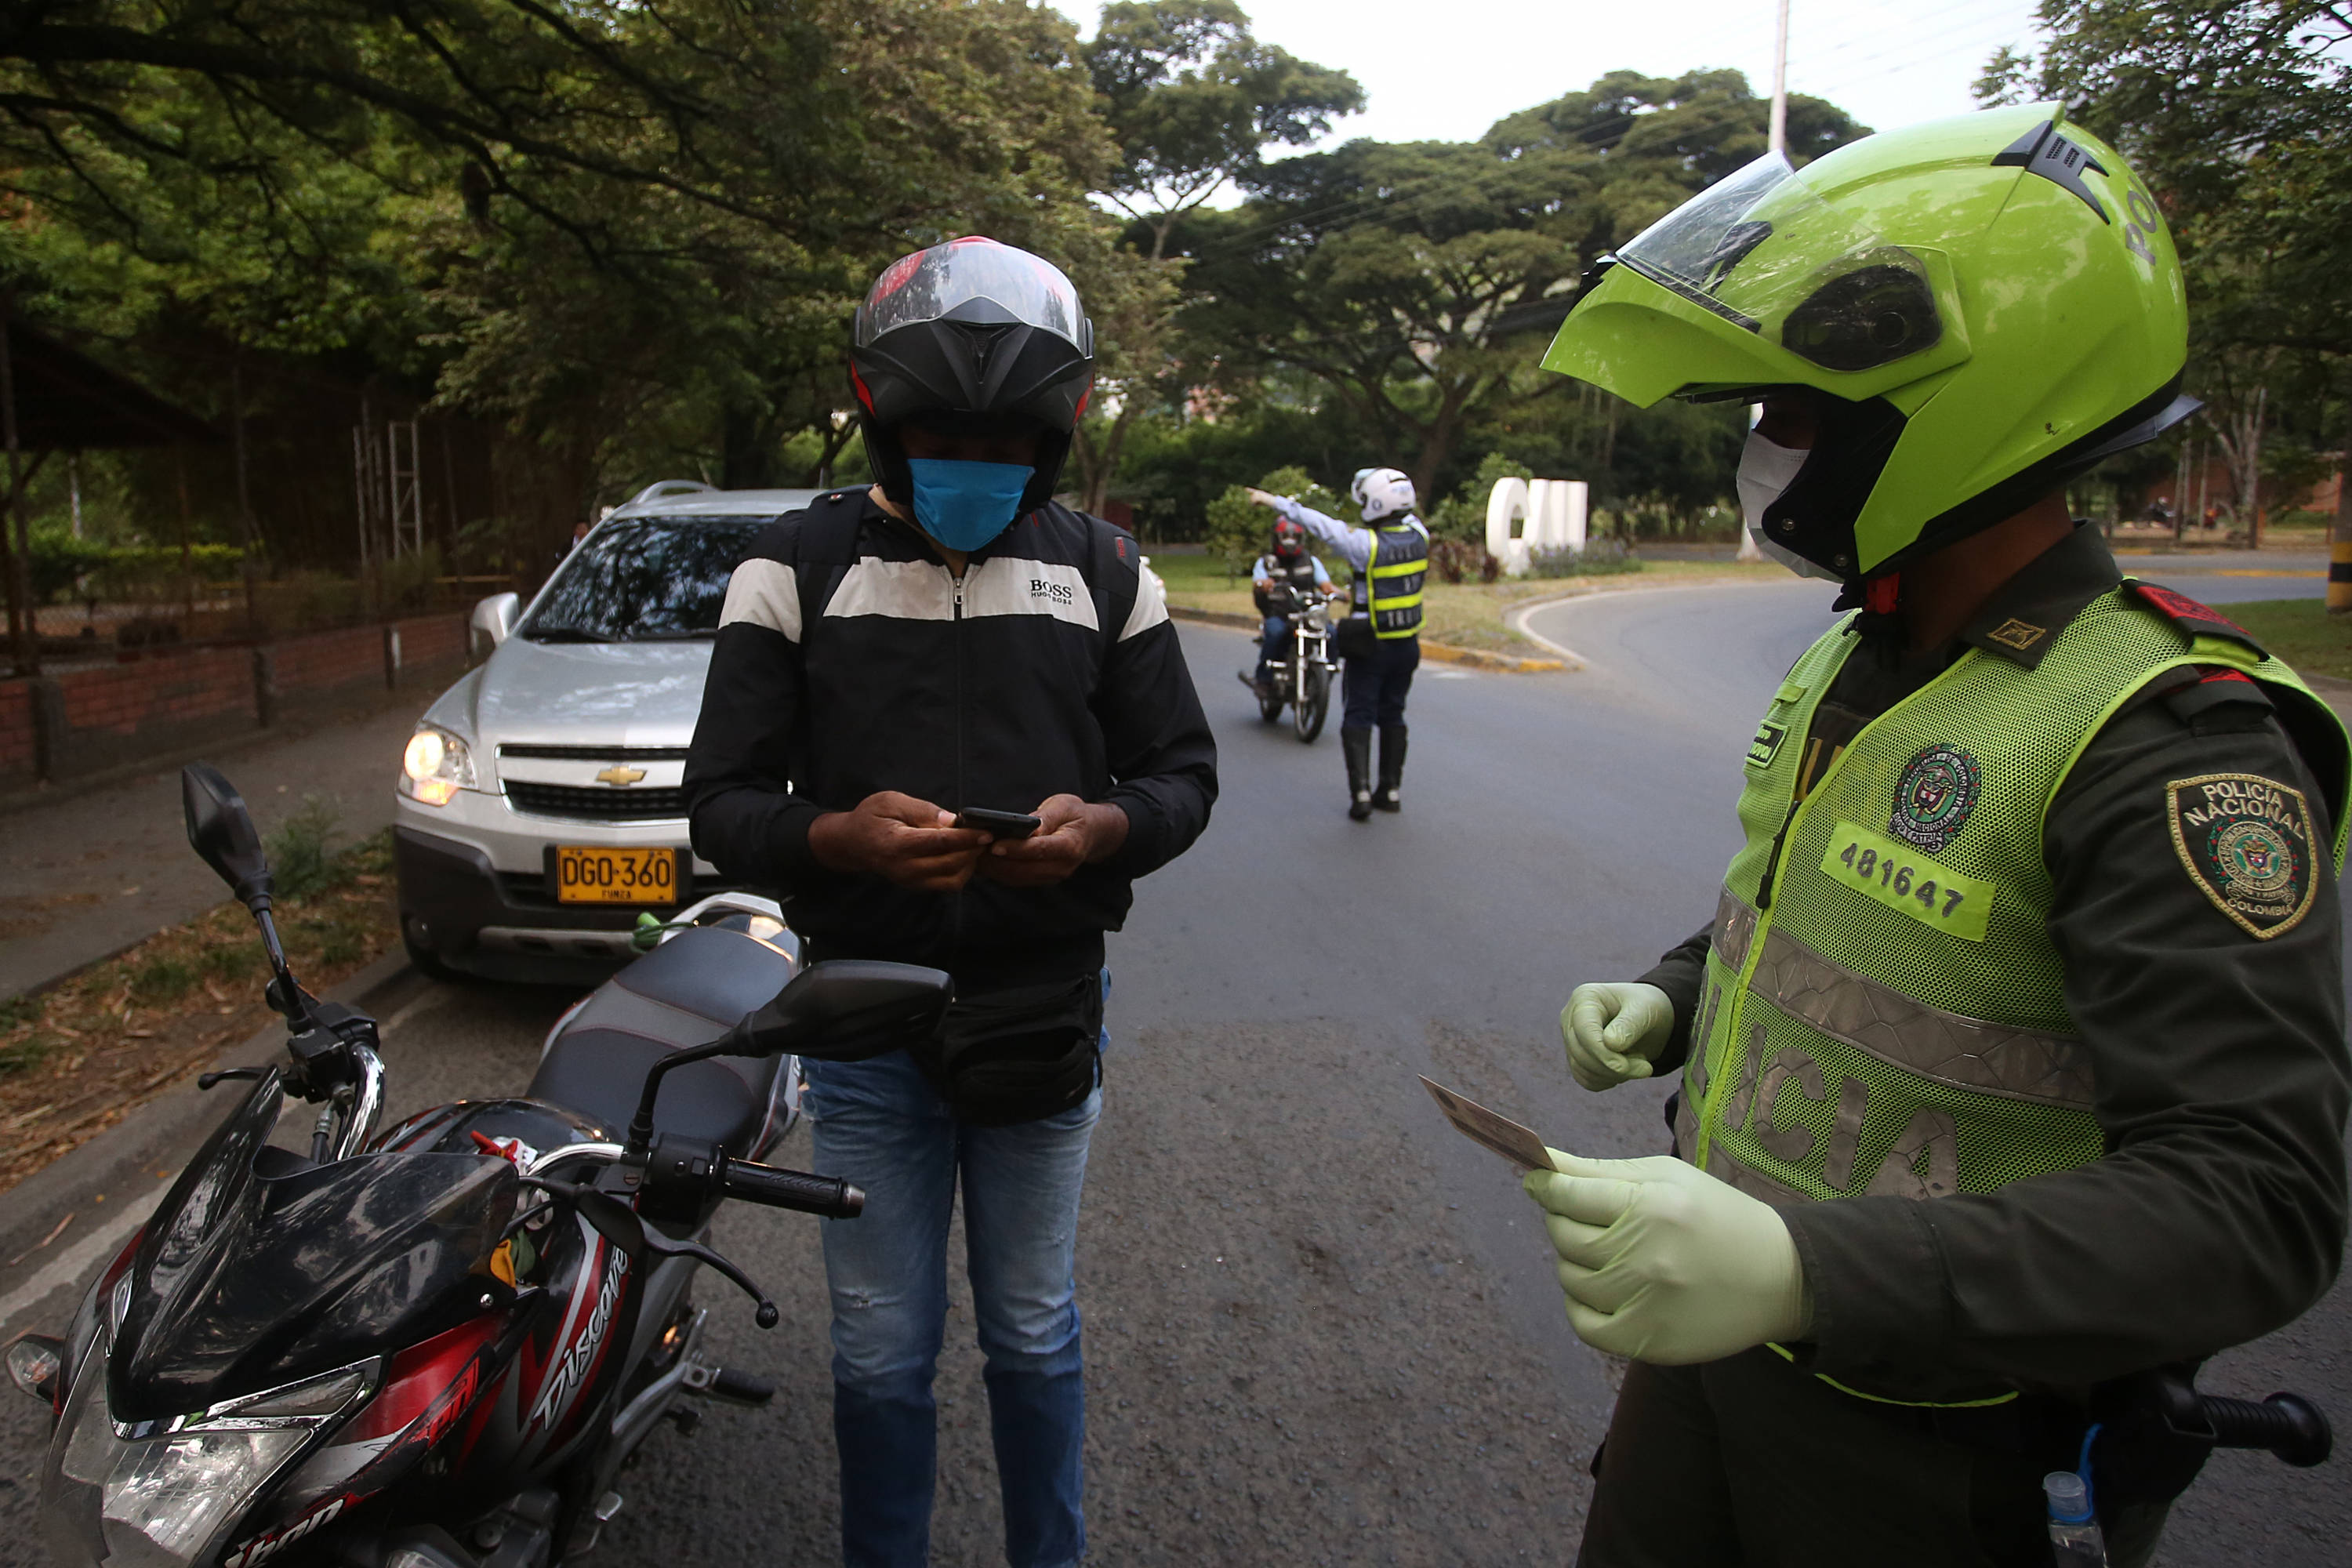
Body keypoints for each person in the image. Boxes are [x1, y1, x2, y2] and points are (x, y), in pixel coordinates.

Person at [1518, 105, 2350, 1566]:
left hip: (1944, 1454)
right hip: (1715, 1366)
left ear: (1971, 398)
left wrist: (1802, 1269)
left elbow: (2255, 1199)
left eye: (1791, 414)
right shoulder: (1879, 643)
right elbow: (1831, 911)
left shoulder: (2170, 733)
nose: (1762, 455)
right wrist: (1682, 989)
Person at [684, 236, 1218, 1568]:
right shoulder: (789, 569)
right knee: (877, 1347)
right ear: (876, 414)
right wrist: (840, 843)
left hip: (1044, 1016)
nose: (968, 453)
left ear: (1054, 434)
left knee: (1034, 1324)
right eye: (937, 428)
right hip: (863, 1032)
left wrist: (1101, 831)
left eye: (1001, 433)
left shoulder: (1108, 573)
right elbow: (721, 805)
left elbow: (1184, 778)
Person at [1246, 469, 1428, 818]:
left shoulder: (1365, 546)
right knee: (1394, 714)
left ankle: (1360, 795)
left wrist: (1272, 500)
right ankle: (1389, 790)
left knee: (1359, 714)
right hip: (1407, 644)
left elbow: (1320, 524)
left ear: (1376, 503)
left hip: (1370, 645)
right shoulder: (1421, 534)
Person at [1240, 517, 1340, 700]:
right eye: (1285, 536)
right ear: (1276, 538)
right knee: (1276, 633)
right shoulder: (1266, 562)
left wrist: (1340, 593)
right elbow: (1258, 583)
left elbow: (1326, 585)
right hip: (1279, 613)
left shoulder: (1311, 561)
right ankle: (1264, 679)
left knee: (1332, 633)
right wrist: (1264, 584)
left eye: (1294, 537)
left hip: (1308, 614)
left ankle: (1325, 675)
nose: (1290, 541)